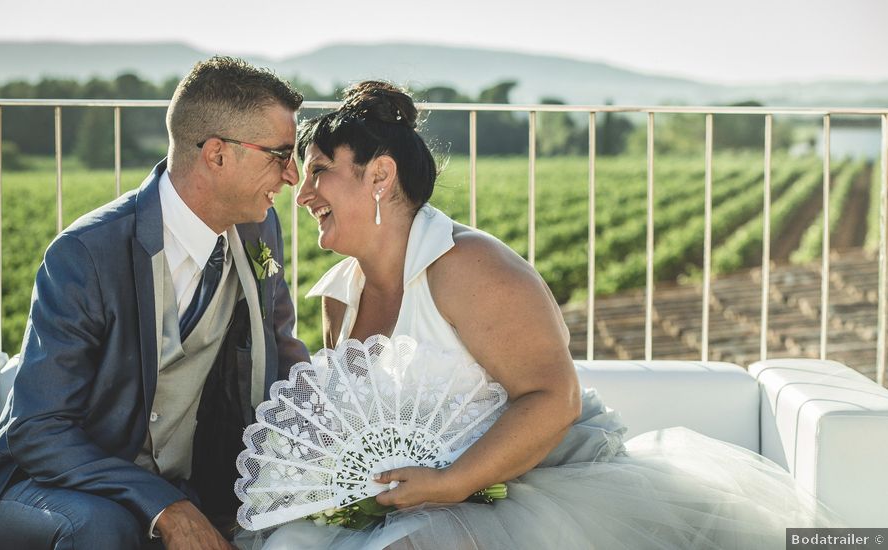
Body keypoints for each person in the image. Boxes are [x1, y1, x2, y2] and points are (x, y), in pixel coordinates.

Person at [251, 80, 841, 549]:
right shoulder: (337, 297)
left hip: (536, 486)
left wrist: (452, 483)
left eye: (319, 170)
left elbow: (552, 397)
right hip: (417, 503)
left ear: (380, 175)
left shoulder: (470, 267)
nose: (302, 195)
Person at [0, 56, 309, 550]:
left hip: (189, 480)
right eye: (280, 154)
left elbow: (280, 348)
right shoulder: (86, 254)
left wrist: (331, 445)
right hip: (56, 486)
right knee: (105, 527)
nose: (293, 175)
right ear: (217, 155)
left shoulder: (257, 229)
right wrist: (162, 504)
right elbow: (37, 428)